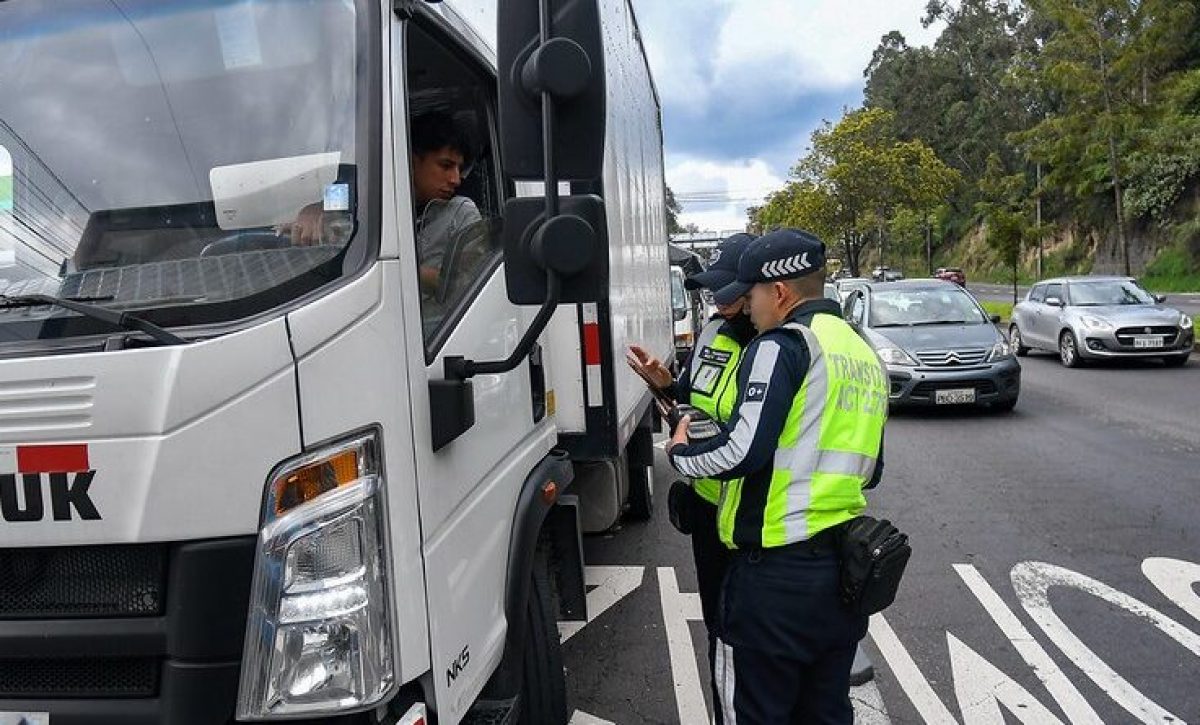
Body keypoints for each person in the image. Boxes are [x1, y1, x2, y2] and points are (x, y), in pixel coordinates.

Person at [667, 228, 888, 724]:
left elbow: (741, 451)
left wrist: (681, 454)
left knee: (754, 710)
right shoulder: (861, 352)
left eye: (753, 295)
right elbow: (871, 470)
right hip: (842, 575)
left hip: (773, 576)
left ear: (781, 292)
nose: (747, 307)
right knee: (826, 712)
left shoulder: (782, 345)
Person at [629, 232, 757, 725]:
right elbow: (691, 401)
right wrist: (665, 385)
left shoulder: (775, 349)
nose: (719, 302)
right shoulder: (712, 335)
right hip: (709, 510)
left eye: (731, 293)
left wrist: (685, 453)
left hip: (753, 517)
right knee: (719, 633)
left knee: (749, 639)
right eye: (715, 292)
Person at [280, 111, 481, 297]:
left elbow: (465, 285)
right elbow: (333, 202)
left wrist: (394, 268)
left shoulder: (461, 212)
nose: (456, 179)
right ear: (411, 161)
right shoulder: (373, 198)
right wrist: (311, 211)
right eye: (445, 166)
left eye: (459, 169)